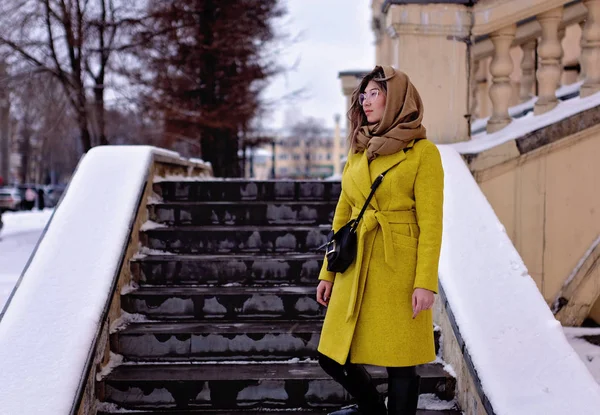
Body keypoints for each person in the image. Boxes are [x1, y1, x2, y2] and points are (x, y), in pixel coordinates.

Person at [315, 65, 444, 415]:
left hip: (397, 266)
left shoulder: (422, 152)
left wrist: (425, 283)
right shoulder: (358, 150)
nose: (366, 101)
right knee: (330, 355)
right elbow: (343, 216)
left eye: (376, 93)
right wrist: (327, 272)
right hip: (355, 265)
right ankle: (373, 409)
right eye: (364, 94)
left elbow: (431, 223)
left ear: (397, 99)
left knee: (400, 363)